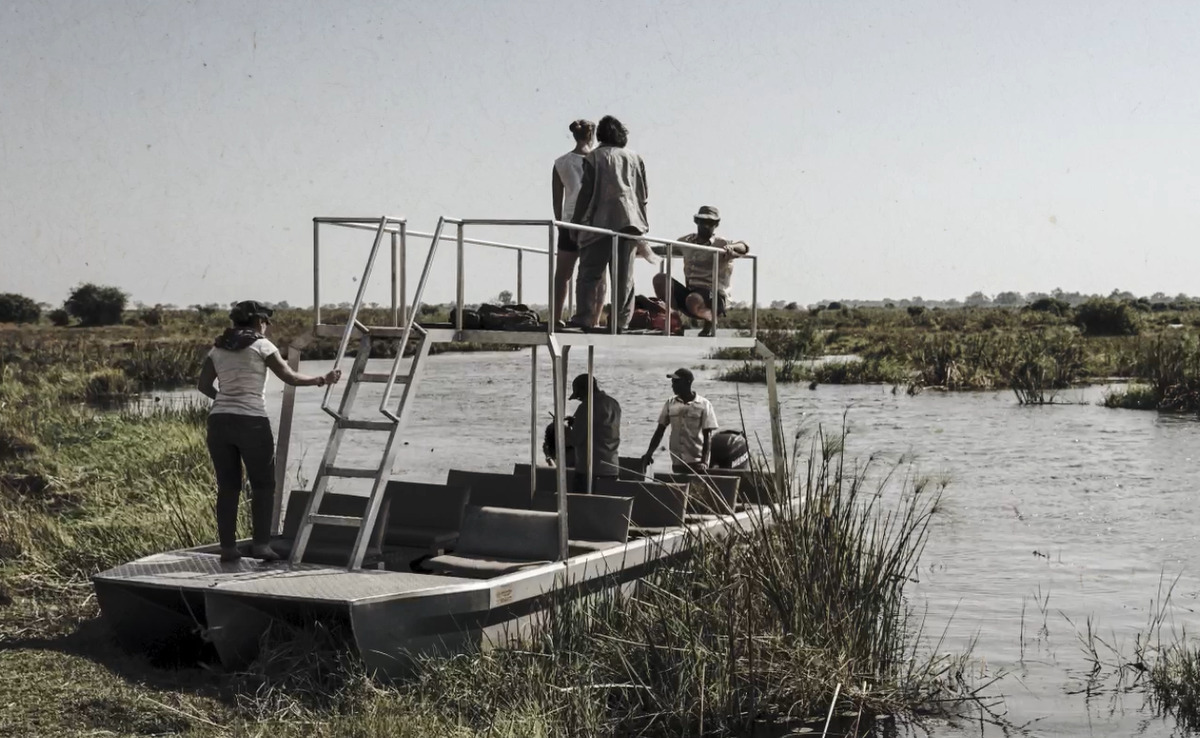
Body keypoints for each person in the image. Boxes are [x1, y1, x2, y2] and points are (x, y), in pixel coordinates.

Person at [197, 300, 342, 562]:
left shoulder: (217, 347)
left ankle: (228, 548)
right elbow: (290, 377)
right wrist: (323, 379)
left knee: (228, 487)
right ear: (257, 321)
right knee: (264, 485)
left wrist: (224, 399)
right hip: (251, 422)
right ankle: (261, 545)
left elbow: (203, 385)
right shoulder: (262, 345)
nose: (267, 326)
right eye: (265, 321)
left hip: (219, 422)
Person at [570, 115, 649, 330]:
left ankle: (585, 316)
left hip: (600, 221)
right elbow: (643, 195)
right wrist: (643, 226)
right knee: (624, 277)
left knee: (589, 272)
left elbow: (585, 193)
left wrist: (575, 224)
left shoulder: (595, 157)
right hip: (629, 222)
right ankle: (621, 321)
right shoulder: (635, 157)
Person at [652, 205, 749, 337]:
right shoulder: (686, 241)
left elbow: (744, 246)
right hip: (691, 292)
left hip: (713, 296)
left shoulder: (720, 243)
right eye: (702, 221)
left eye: (710, 223)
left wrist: (731, 247)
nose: (706, 226)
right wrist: (640, 247)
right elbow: (665, 249)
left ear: (716, 224)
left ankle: (710, 320)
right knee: (660, 279)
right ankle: (675, 322)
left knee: (693, 299)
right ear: (696, 221)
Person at [551, 119, 600, 328]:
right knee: (597, 275)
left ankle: (555, 317)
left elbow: (557, 198)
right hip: (593, 223)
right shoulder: (599, 160)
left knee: (562, 274)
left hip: (569, 221)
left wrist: (561, 221)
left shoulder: (560, 162)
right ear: (592, 135)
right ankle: (595, 319)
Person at [641, 368, 719, 473]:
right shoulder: (670, 403)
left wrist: (704, 462)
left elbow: (707, 436)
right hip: (677, 460)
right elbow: (660, 431)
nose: (673, 385)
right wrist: (649, 453)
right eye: (673, 382)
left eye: (677, 382)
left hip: (696, 461)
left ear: (688, 382)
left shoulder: (704, 404)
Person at [568, 373, 621, 491]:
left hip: (590, 469)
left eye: (579, 396)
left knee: (580, 506)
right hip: (611, 467)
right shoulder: (613, 404)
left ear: (584, 390)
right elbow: (602, 429)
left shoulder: (586, 407)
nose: (580, 399)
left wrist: (565, 429)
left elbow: (576, 439)